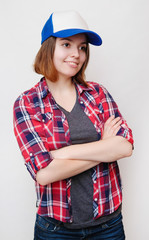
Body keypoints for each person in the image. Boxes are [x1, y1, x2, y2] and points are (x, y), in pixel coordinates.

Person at [13, 10, 134, 240]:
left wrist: (61, 154)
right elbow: (44, 174)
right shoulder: (27, 103)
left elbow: (125, 146)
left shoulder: (97, 94)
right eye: (66, 44)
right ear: (49, 47)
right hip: (55, 231)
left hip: (108, 226)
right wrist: (104, 148)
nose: (76, 54)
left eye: (82, 47)